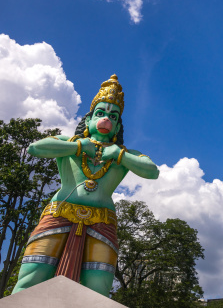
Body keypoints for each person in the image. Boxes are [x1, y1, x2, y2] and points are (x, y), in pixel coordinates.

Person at [12, 74, 159, 296]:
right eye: (100, 113)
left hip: (102, 221)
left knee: (97, 290)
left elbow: (152, 171)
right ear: (88, 120)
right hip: (59, 213)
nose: (106, 119)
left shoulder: (124, 155)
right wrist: (80, 146)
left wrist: (118, 154)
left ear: (118, 126)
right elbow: (35, 148)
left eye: (113, 116)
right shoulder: (69, 144)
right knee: (32, 277)